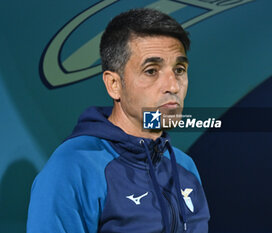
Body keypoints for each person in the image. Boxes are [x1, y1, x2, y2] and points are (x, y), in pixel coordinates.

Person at [27, 8, 210, 233]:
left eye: (179, 69)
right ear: (114, 84)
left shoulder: (185, 167)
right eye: (152, 71)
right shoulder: (73, 167)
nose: (173, 86)